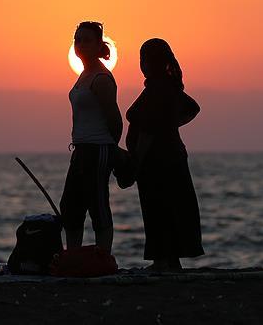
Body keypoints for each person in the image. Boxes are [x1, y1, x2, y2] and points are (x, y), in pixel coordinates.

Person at [126, 38, 203, 271]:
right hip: (172, 156)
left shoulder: (158, 88)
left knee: (157, 208)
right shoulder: (167, 86)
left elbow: (149, 129)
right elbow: (191, 108)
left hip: (156, 159)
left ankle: (162, 260)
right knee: (170, 207)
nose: (141, 64)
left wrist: (137, 159)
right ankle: (170, 260)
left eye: (144, 59)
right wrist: (171, 126)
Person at [60, 21, 123, 252]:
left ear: (99, 45)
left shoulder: (102, 79)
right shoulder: (83, 75)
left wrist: (112, 150)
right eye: (78, 40)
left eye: (87, 40)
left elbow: (115, 120)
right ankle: (73, 256)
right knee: (70, 206)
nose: (81, 44)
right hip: (80, 149)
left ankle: (104, 256)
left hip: (98, 149)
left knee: (98, 205)